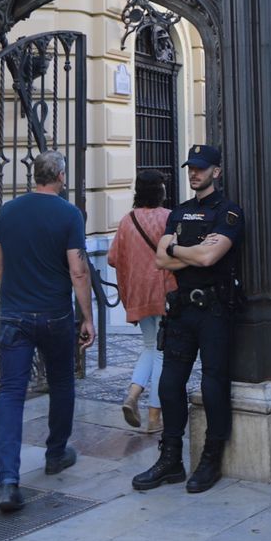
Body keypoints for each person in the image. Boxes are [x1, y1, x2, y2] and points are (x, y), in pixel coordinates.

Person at [130, 144, 241, 496]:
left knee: (212, 385)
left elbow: (210, 258)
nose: (194, 173)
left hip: (214, 310)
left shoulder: (229, 211)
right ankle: (170, 459)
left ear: (216, 172)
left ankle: (210, 459)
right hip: (181, 311)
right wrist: (185, 252)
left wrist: (179, 249)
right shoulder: (177, 212)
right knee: (168, 385)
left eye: (201, 168)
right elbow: (162, 261)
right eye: (190, 167)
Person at [0, 151, 95, 512]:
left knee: (10, 393)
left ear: (34, 176)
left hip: (15, 314)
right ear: (61, 176)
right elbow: (78, 271)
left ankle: (7, 479)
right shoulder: (69, 214)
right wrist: (87, 317)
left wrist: (12, 297)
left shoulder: (7, 212)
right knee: (62, 382)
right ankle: (55, 453)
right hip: (54, 313)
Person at [106, 169, 171, 432]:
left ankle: (133, 394)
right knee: (162, 353)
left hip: (139, 293)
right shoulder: (167, 218)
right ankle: (155, 416)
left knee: (149, 346)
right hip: (165, 293)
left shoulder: (126, 221)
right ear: (160, 191)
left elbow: (112, 258)